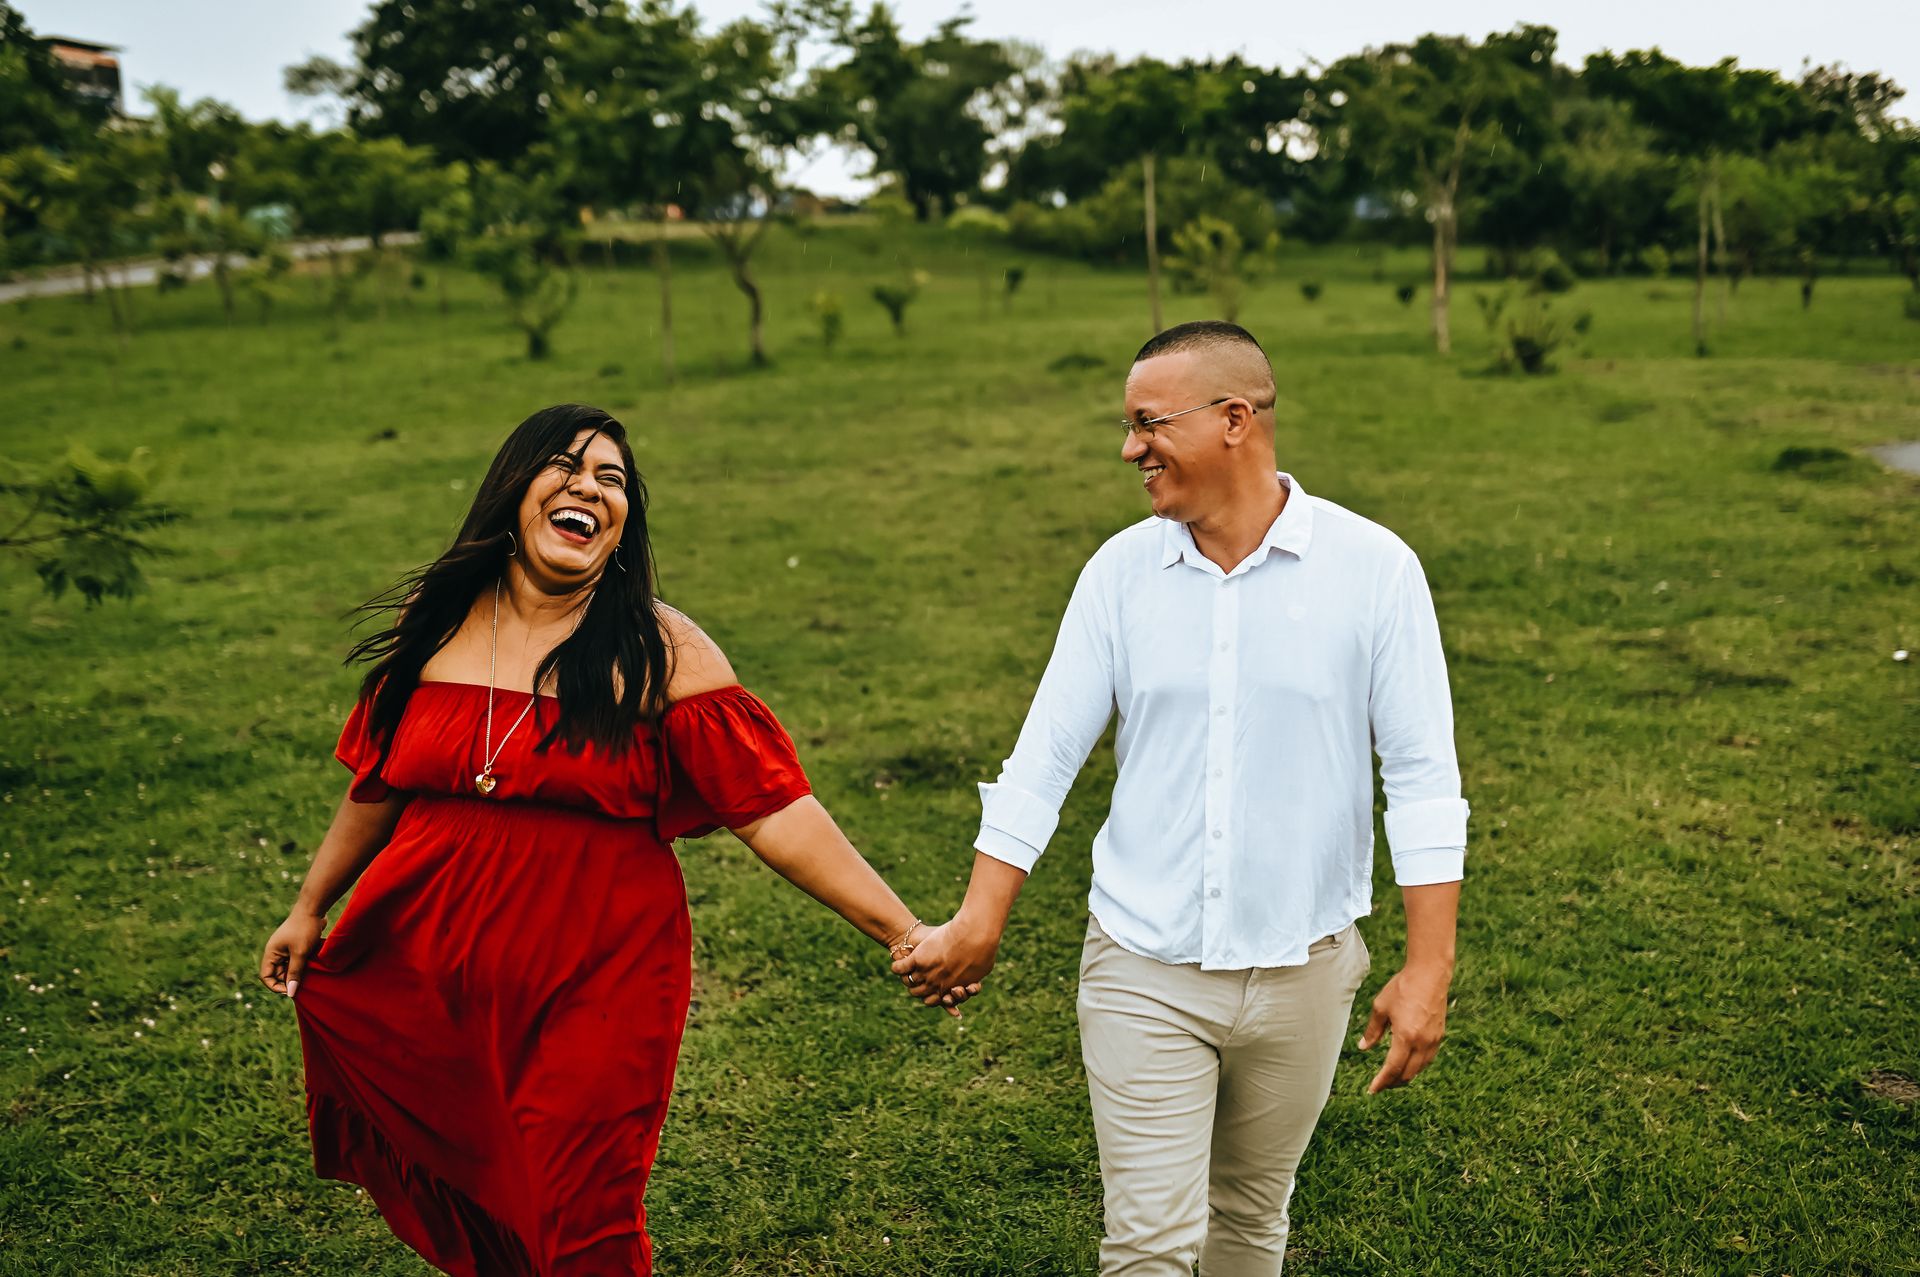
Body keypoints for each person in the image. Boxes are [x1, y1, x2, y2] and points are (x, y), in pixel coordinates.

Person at [259, 403, 960, 1276]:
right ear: (513, 491)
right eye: (566, 465)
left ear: (622, 525)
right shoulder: (435, 620)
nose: (589, 487)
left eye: (613, 479)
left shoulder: (659, 646)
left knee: (585, 1204)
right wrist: (308, 905)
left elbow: (775, 811)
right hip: (427, 966)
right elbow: (381, 781)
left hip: (597, 974)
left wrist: (903, 930)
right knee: (498, 1190)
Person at [896, 321, 1469, 1275]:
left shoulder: (1376, 572)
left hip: (1307, 968)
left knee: (1249, 1219)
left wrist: (1428, 966)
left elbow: (1421, 778)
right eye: (1127, 426)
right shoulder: (1120, 575)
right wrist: (980, 916)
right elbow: (1045, 758)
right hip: (1142, 966)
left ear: (1235, 418)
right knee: (1151, 1245)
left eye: (1148, 423)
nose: (1130, 449)